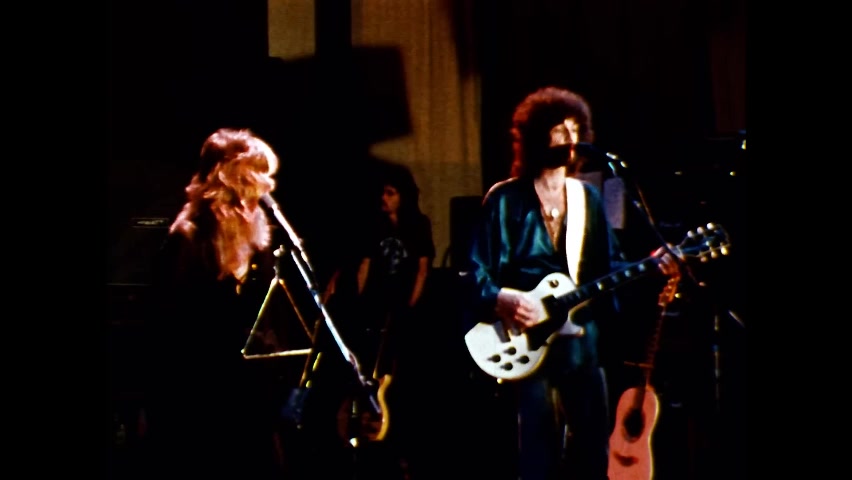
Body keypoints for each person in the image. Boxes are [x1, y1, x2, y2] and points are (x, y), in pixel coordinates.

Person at [461, 86, 680, 480]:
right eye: (558, 129)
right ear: (535, 137)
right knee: (537, 450)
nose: (569, 137)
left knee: (593, 448)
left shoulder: (586, 199)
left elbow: (608, 268)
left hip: (581, 343)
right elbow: (474, 272)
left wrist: (651, 265)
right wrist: (502, 298)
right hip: (524, 340)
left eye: (575, 129)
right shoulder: (505, 200)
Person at [143, 128, 288, 479]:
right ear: (226, 188)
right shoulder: (188, 241)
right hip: (200, 406)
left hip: (249, 404)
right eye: (249, 185)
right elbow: (167, 333)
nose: (257, 198)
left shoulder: (259, 244)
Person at [324, 162, 435, 479]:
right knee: (366, 367)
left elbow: (423, 270)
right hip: (375, 304)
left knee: (400, 372)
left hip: (403, 308)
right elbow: (365, 265)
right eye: (382, 193)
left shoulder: (418, 225)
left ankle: (400, 439)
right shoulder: (374, 226)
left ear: (403, 196)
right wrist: (358, 303)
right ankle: (362, 433)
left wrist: (410, 307)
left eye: (390, 193)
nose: (384, 199)